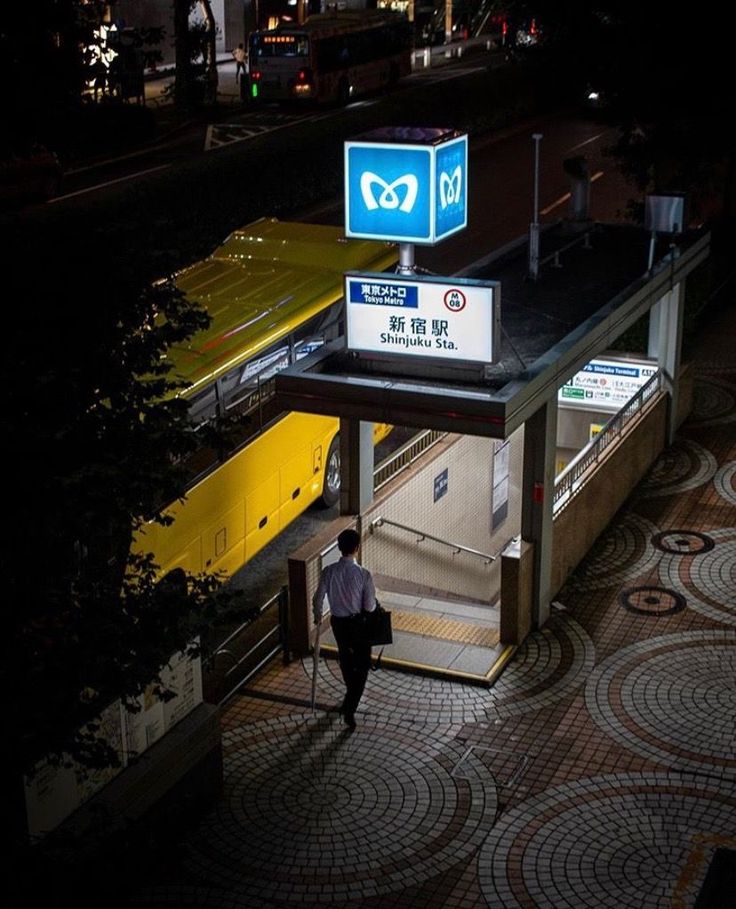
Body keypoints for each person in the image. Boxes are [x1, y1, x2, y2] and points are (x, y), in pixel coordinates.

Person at [312, 528, 376, 730]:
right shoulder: (364, 575)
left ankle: (350, 692)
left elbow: (318, 598)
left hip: (338, 623)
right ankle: (350, 706)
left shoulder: (328, 572)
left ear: (339, 548)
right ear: (357, 548)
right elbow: (369, 607)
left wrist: (317, 615)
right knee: (363, 665)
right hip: (358, 624)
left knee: (346, 659)